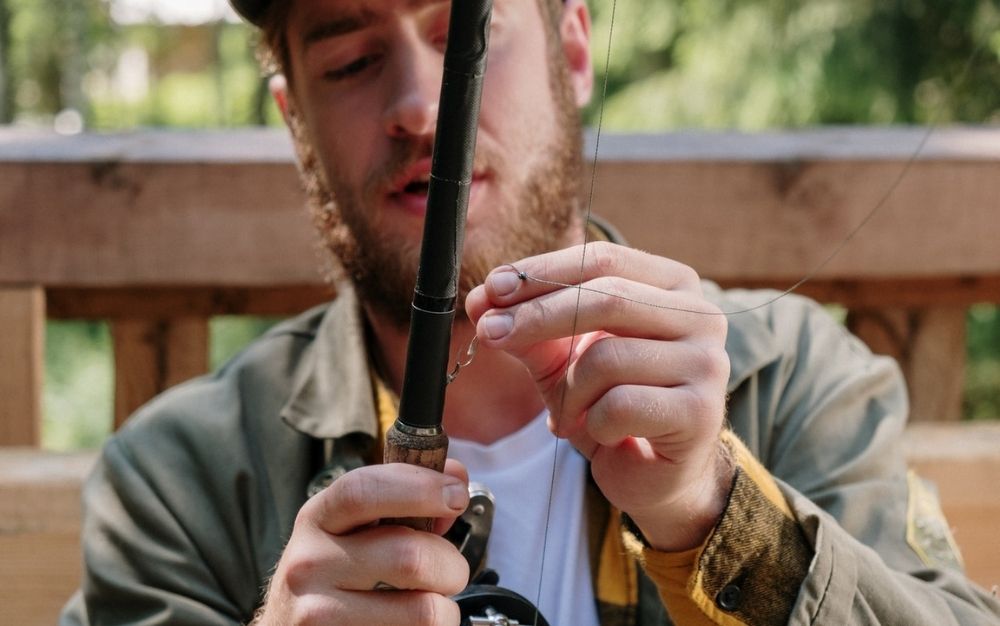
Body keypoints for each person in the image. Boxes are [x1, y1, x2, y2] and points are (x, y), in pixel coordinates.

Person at [61, 0, 1000, 624]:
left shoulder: (791, 378)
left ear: (574, 47)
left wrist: (709, 507)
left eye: (464, 35)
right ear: (294, 122)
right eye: (350, 60)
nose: (421, 107)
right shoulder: (177, 483)